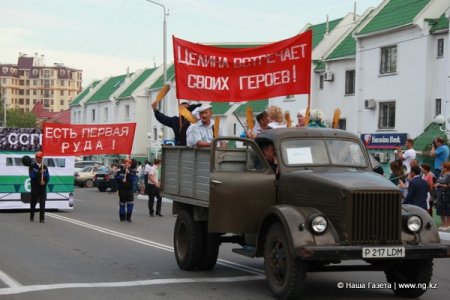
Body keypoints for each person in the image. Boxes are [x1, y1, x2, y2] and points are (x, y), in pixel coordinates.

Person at [29, 151, 50, 223]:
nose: (38, 159)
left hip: (42, 187)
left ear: (42, 158)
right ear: (35, 158)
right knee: (33, 202)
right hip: (35, 187)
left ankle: (42, 218)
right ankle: (32, 216)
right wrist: (39, 172)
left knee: (42, 203)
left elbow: (47, 177)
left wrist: (44, 182)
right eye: (37, 157)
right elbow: (31, 176)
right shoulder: (32, 166)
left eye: (40, 158)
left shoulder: (45, 167)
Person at [434, 161, 450, 230]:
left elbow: (449, 185)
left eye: (442, 167)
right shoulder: (441, 173)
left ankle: (448, 225)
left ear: (446, 168)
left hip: (446, 194)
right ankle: (443, 224)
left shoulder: (449, 175)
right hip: (439, 194)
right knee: (440, 209)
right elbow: (437, 181)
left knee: (447, 210)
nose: (441, 167)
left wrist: (440, 185)